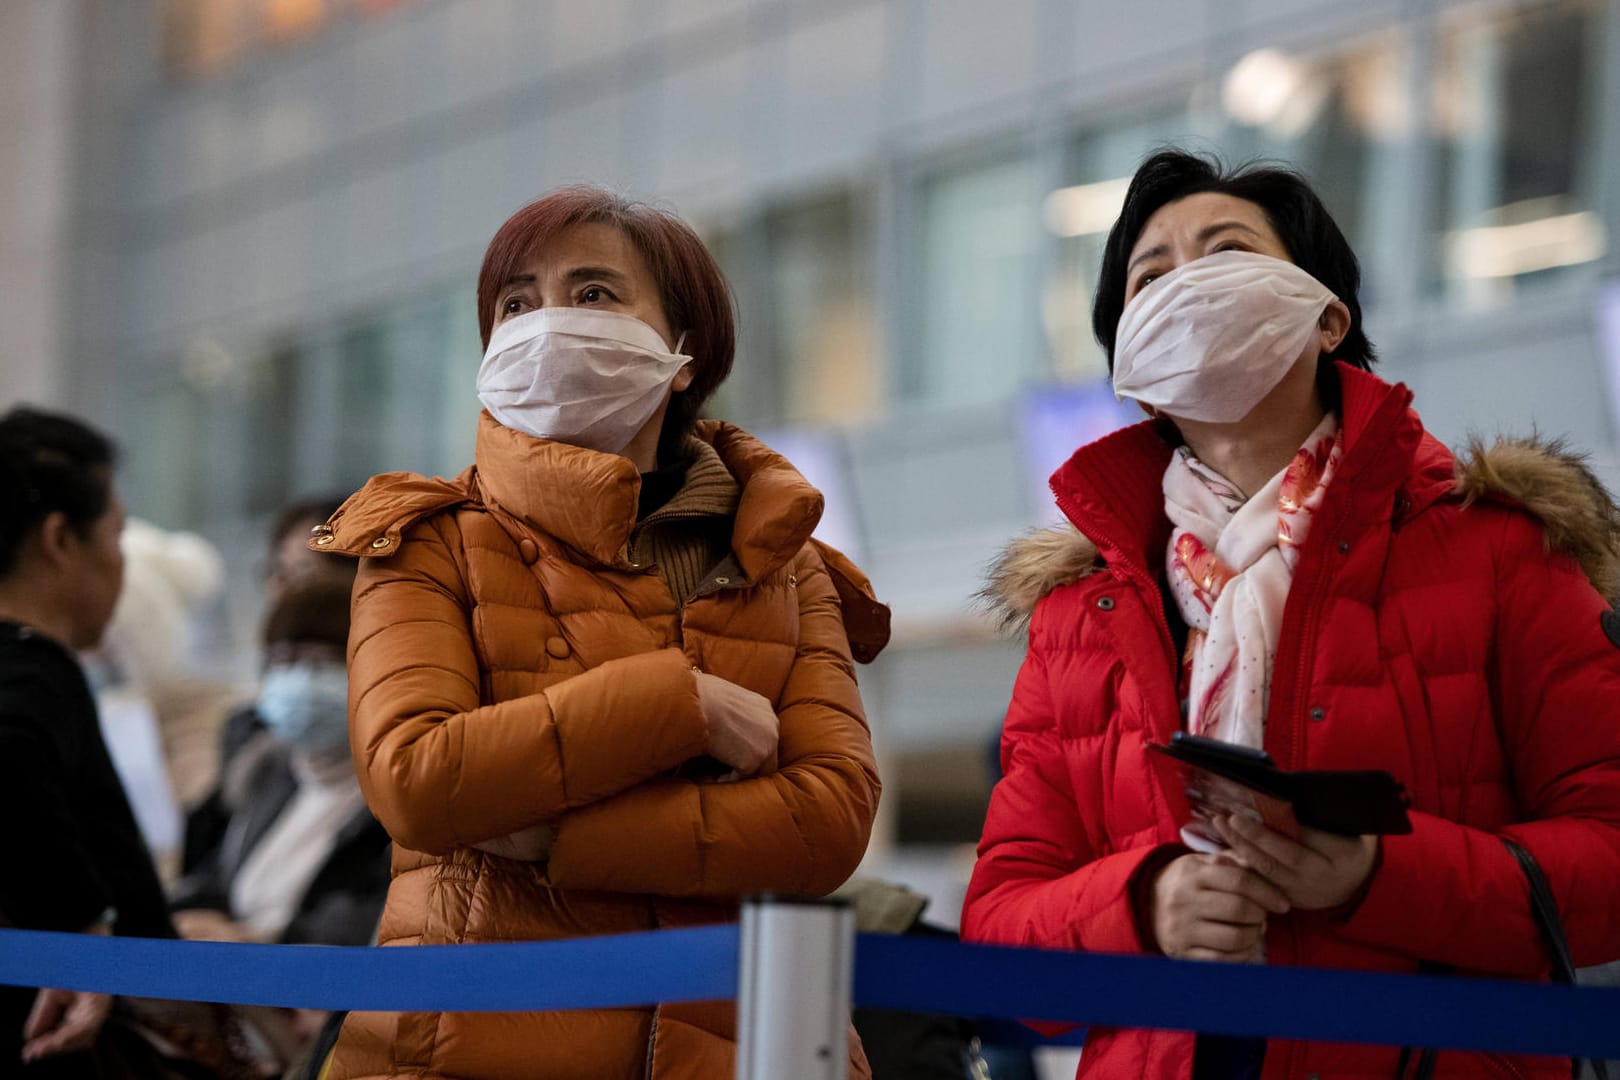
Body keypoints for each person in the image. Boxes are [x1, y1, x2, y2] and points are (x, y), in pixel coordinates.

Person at [963, 150, 1620, 1079]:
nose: (1187, 285)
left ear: (1327, 317)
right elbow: (998, 934)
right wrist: (1144, 904)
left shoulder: (1499, 551)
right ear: (1135, 367)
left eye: (1225, 250)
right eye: (1151, 276)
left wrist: (1376, 878)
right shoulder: (1083, 613)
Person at [311, 185, 888, 1080]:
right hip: (478, 1044)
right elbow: (418, 780)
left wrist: (558, 840)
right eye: (516, 303)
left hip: (745, 1044)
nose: (546, 326)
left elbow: (828, 822)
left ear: (683, 353)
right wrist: (680, 702)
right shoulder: (426, 541)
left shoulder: (787, 560)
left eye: (592, 294)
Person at [172, 577, 390, 949]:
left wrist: (250, 943)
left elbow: (357, 932)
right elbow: (218, 881)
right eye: (283, 661)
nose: (300, 681)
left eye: (322, 662)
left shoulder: (395, 806)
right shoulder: (271, 774)